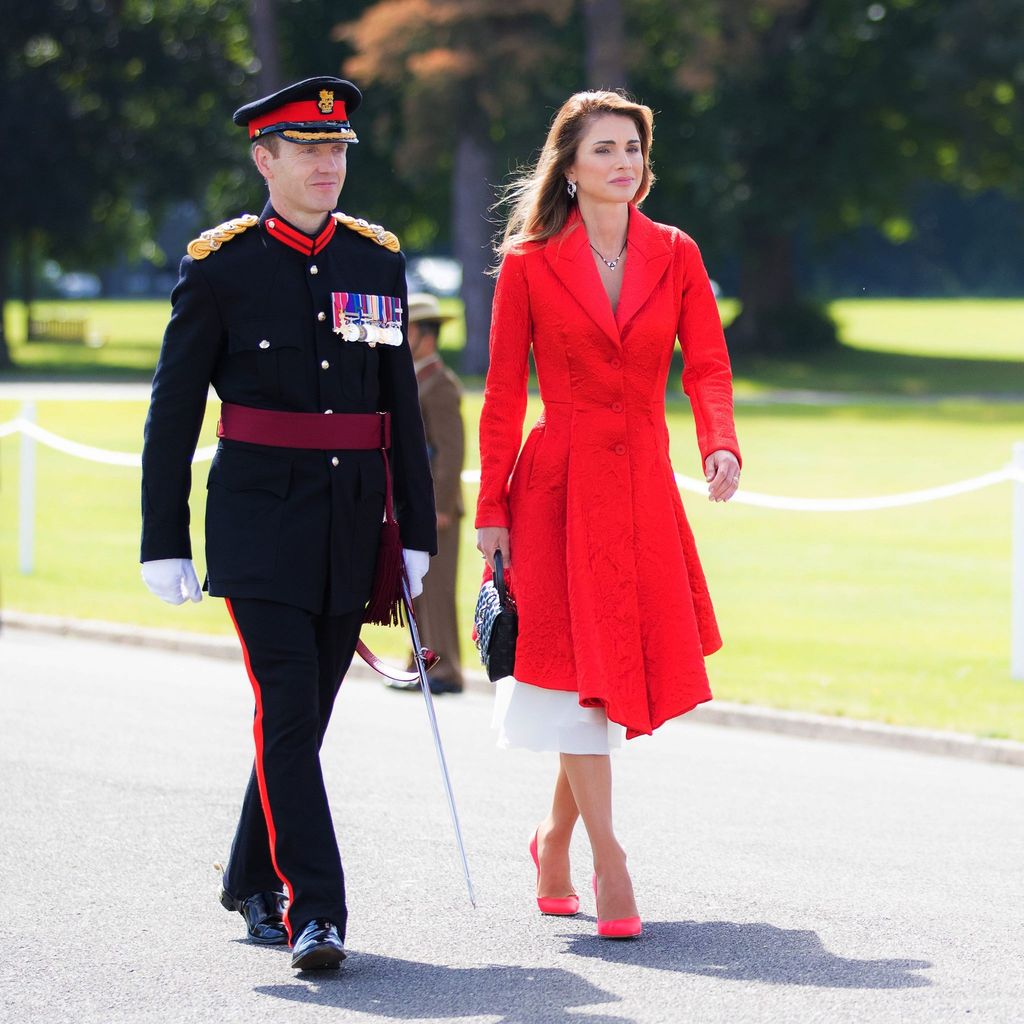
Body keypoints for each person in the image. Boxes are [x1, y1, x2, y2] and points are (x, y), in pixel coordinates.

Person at [139, 76, 437, 971]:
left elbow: (401, 413)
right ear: (264, 159)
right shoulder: (219, 265)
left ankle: (246, 876)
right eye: (308, 151)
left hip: (351, 525)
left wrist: (414, 531)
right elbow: (174, 410)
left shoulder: (375, 260)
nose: (327, 165)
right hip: (258, 526)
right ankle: (318, 908)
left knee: (299, 721)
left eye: (338, 150)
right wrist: (163, 538)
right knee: (286, 704)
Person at [475, 90, 741, 939]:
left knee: (604, 675)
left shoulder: (677, 251)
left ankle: (551, 841)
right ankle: (609, 858)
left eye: (632, 148)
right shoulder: (527, 262)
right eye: (604, 150)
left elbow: (706, 363)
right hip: (554, 489)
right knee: (578, 678)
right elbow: (502, 394)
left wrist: (719, 445)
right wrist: (489, 506)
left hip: (643, 491)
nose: (623, 163)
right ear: (571, 165)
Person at [384, 292, 466, 695]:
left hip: (436, 507)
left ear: (423, 334)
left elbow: (450, 451)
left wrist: (442, 506)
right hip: (416, 505)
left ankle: (445, 667)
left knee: (435, 591)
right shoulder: (418, 379)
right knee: (417, 588)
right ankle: (421, 663)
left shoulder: (440, 385)